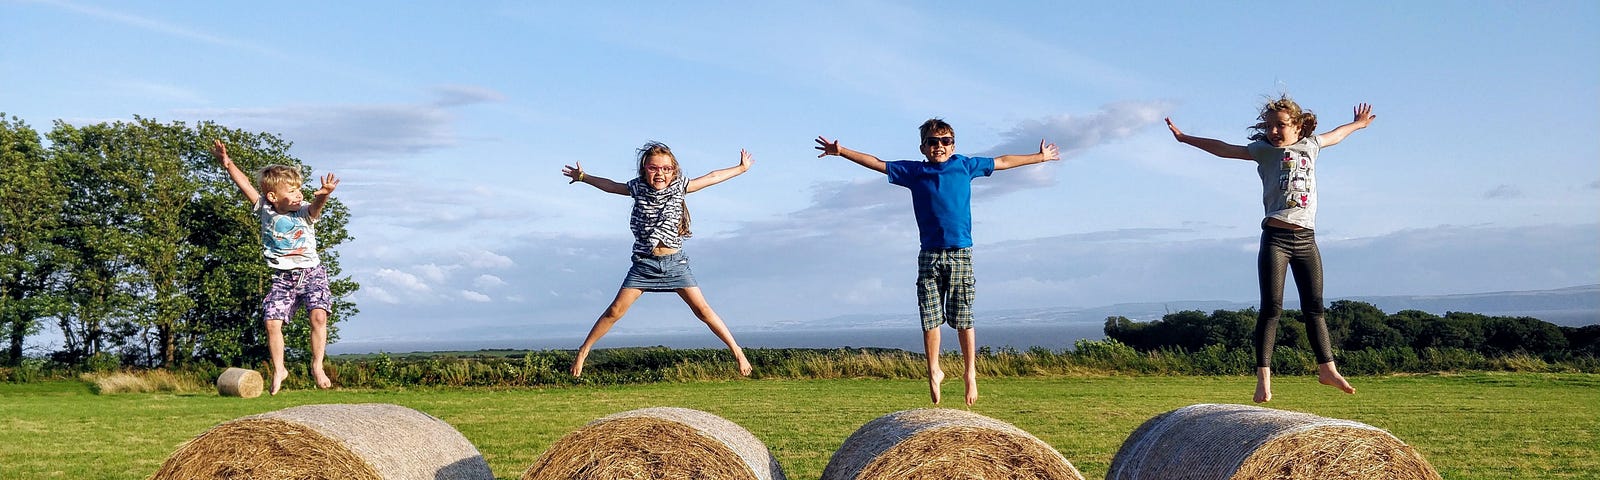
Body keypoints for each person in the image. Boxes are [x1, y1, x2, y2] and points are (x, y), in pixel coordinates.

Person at [815, 119, 1059, 406]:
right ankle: (934, 370)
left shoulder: (965, 165)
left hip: (960, 253)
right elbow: (877, 162)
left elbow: (1003, 160)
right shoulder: (916, 172)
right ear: (923, 147)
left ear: (953, 145)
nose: (939, 146)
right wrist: (841, 151)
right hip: (929, 255)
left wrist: (1040, 157)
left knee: (963, 319)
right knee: (929, 317)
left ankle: (970, 373)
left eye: (944, 141)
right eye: (933, 141)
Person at [1165, 96, 1375, 403]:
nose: (1274, 131)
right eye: (1270, 125)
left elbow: (1337, 134)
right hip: (1275, 239)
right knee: (1271, 309)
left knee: (1314, 308)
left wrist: (1358, 124)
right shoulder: (1262, 151)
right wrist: (1185, 138)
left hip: (1306, 240)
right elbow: (1224, 149)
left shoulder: (1311, 146)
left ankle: (1327, 369)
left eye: (1281, 125)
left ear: (1298, 126)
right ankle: (1263, 379)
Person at [563, 141, 755, 377]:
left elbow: (712, 177)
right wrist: (583, 176)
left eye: (666, 169)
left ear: (673, 171)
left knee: (703, 311)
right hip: (644, 264)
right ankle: (583, 351)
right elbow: (611, 186)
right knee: (614, 311)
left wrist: (741, 168)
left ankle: (737, 351)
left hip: (675, 264)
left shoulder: (680, 187)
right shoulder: (637, 188)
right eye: (654, 168)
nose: (660, 173)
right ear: (645, 169)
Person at [211, 139, 341, 395]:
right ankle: (280, 368)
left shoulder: (304, 212)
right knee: (272, 322)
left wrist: (324, 195)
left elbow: (316, 207)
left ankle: (317, 365)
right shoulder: (264, 209)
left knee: (319, 316)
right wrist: (227, 163)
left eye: (299, 189)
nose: (299, 195)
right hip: (283, 278)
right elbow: (245, 184)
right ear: (273, 197)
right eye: (292, 191)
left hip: (312, 273)